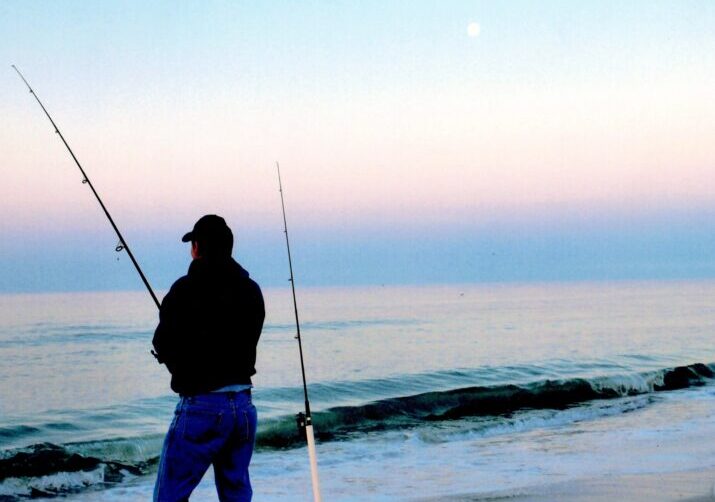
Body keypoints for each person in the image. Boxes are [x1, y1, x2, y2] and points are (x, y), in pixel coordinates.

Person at [152, 214, 265, 502]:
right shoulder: (252, 291)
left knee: (170, 496)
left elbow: (162, 345)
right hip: (243, 406)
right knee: (236, 495)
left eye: (193, 244)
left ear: (198, 248)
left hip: (201, 407)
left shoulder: (184, 289)